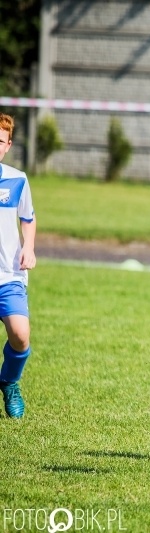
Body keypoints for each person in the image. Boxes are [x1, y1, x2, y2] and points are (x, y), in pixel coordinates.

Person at [0, 113, 37, 419]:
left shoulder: (17, 179)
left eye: (0, 141)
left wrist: (29, 246)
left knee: (21, 335)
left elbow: (28, 218)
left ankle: (10, 383)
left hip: (9, 274)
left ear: (8, 145)